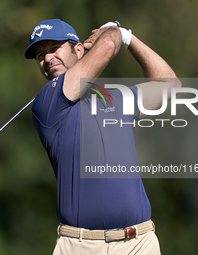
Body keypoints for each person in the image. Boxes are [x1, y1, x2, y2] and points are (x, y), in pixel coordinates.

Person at [24, 18, 180, 255]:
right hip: (81, 245)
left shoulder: (111, 98)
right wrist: (113, 32)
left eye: (54, 48)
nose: (47, 58)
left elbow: (170, 85)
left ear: (78, 49)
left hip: (139, 242)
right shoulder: (47, 103)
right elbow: (107, 47)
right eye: (40, 56)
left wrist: (128, 38)